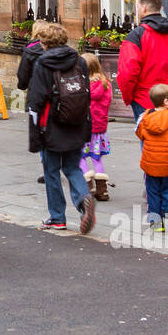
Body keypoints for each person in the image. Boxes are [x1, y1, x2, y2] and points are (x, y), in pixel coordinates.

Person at [26, 23, 96, 234]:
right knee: (72, 167)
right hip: (76, 122)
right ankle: (84, 201)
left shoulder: (42, 63)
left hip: (51, 126)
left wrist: (34, 135)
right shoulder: (79, 61)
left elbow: (36, 101)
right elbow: (87, 95)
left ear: (44, 42)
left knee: (52, 171)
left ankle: (57, 217)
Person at [134, 83, 168, 232]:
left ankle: (156, 223)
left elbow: (138, 132)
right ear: (166, 101)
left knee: (152, 191)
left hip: (150, 163)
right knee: (167, 187)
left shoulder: (144, 117)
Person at [18, 21, 50, 184]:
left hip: (37, 98)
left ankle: (48, 170)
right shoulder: (57, 49)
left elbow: (22, 77)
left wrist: (22, 85)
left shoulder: (29, 50)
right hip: (57, 97)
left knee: (41, 133)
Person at [81, 52, 113, 201]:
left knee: (79, 156)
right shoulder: (106, 84)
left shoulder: (83, 87)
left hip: (84, 128)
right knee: (97, 158)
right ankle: (102, 191)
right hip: (100, 129)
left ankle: (88, 187)